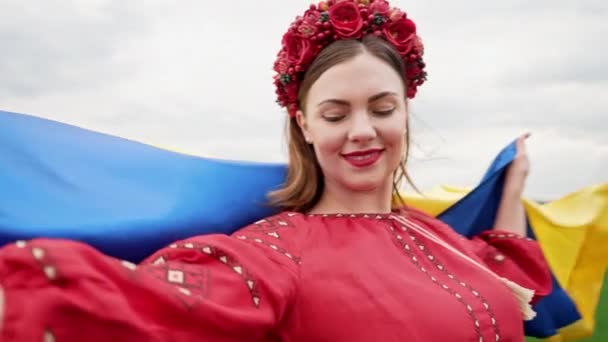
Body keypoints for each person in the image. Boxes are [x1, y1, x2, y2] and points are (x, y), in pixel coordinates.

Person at [0, 0, 551, 341]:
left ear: (406, 111)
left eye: (382, 108)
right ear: (305, 126)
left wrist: (515, 183)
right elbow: (140, 304)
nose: (362, 129)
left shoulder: (434, 233)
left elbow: (509, 271)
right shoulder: (276, 253)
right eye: (336, 114)